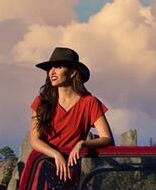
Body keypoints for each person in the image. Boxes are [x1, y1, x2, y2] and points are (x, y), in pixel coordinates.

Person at [30, 47, 113, 181]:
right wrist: (56, 154)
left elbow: (107, 138)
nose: (52, 71)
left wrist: (83, 143)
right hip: (42, 166)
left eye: (58, 67)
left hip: (70, 170)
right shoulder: (41, 101)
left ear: (73, 72)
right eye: (50, 68)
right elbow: (34, 140)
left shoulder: (89, 102)